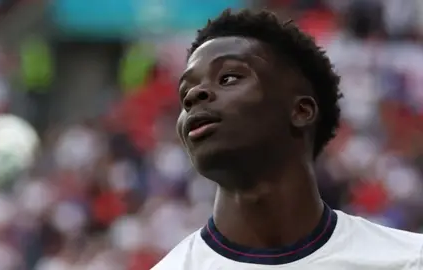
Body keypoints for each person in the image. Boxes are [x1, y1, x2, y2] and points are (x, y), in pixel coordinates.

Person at [152, 8, 423, 270]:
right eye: (184, 91)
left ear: (301, 111)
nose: (193, 96)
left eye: (228, 77)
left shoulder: (410, 260)